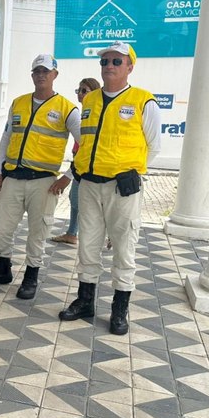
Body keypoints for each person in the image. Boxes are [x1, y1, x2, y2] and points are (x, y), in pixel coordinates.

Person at [59, 41, 161, 335]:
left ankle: (119, 310)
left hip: (122, 188)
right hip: (90, 184)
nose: (110, 67)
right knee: (88, 245)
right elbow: (86, 143)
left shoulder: (144, 101)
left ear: (130, 66)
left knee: (123, 247)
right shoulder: (88, 102)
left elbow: (153, 146)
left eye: (117, 61)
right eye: (105, 61)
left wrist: (133, 170)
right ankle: (85, 301)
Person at [0, 55, 81, 300]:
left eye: (46, 71)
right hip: (13, 176)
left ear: (55, 75)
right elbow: (6, 138)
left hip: (44, 182)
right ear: (32, 74)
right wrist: (0, 170)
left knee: (38, 231)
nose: (41, 75)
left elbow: (85, 145)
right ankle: (2, 269)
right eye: (36, 71)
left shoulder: (67, 109)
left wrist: (68, 176)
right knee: (3, 227)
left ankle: (31, 276)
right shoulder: (19, 103)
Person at [51, 77, 101, 245]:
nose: (80, 94)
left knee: (85, 203)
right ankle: (72, 233)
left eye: (84, 90)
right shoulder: (82, 114)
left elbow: (87, 148)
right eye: (79, 90)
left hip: (88, 169)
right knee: (75, 199)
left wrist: (67, 176)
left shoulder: (95, 114)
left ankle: (93, 237)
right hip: (78, 166)